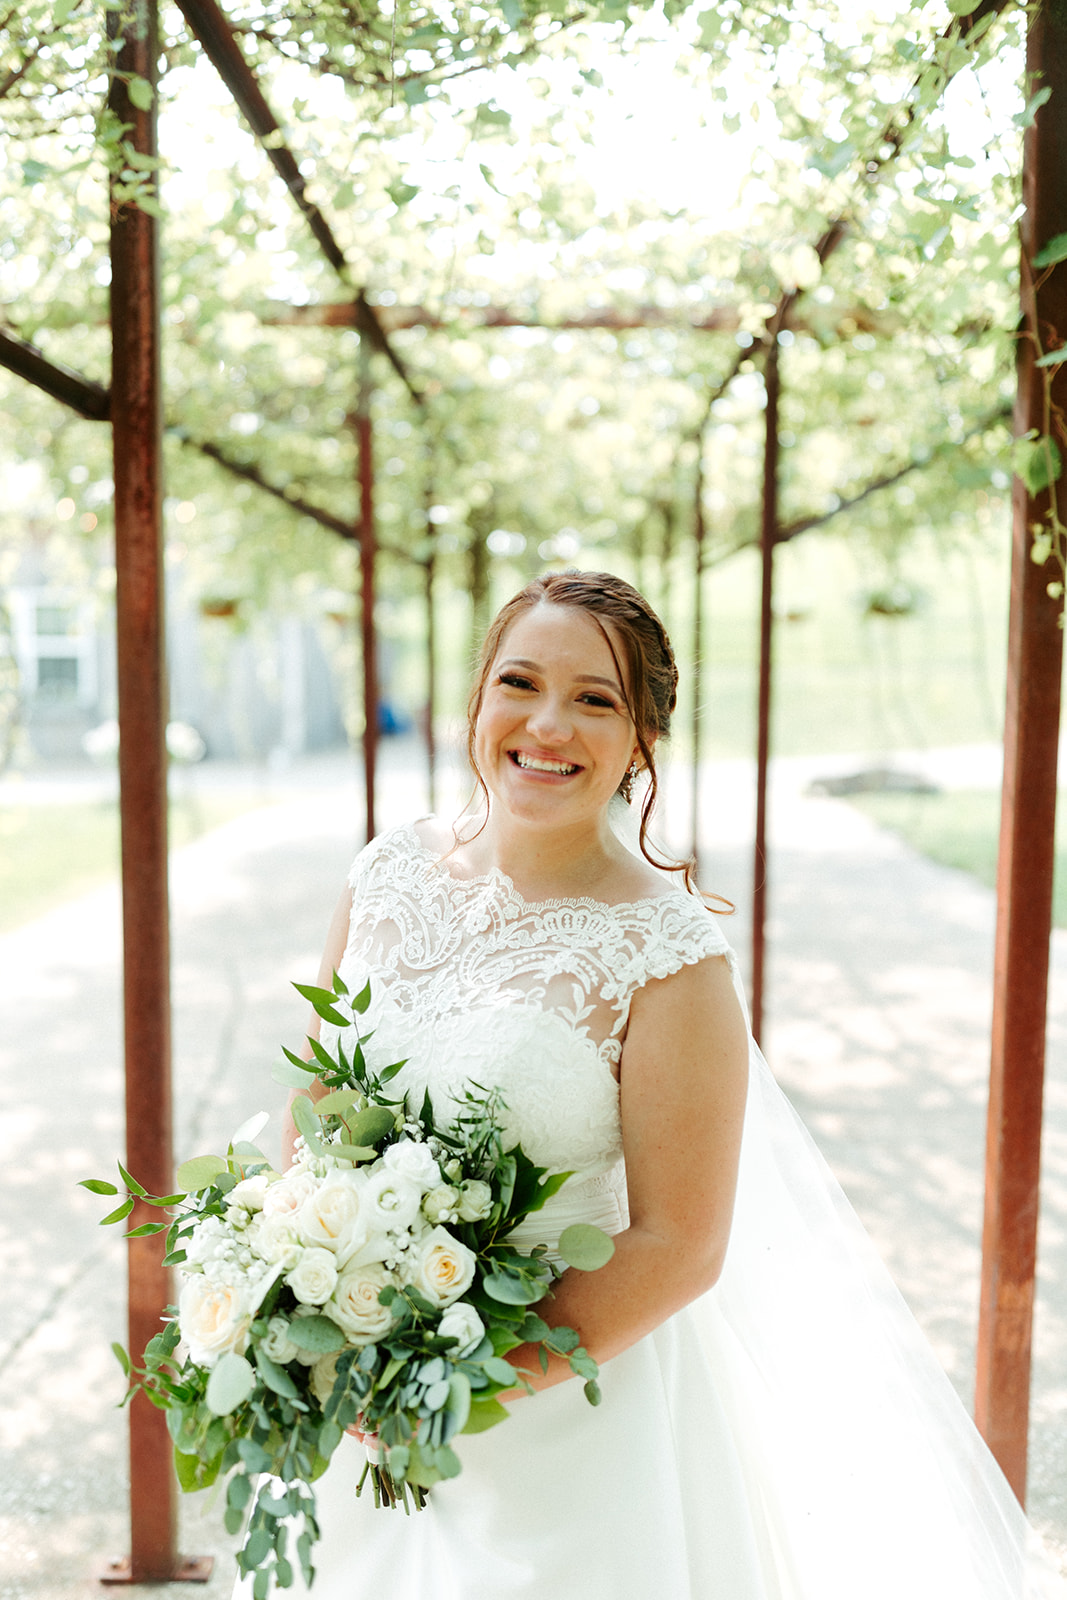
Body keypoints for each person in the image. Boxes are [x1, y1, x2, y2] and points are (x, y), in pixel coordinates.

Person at [273, 571, 1065, 1600]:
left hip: (564, 1430)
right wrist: (306, 1302)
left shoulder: (668, 956)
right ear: (475, 700)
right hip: (359, 1396)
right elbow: (316, 1106)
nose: (545, 723)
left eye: (594, 699)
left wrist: (453, 1383)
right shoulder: (382, 873)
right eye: (518, 681)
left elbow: (679, 1242)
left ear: (642, 742)